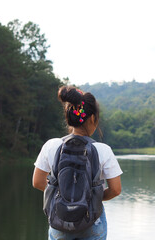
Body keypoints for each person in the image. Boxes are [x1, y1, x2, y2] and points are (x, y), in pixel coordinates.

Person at [32, 86, 123, 240]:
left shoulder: (52, 145)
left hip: (59, 219)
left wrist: (62, 198)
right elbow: (115, 190)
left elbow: (37, 182)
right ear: (93, 118)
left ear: (68, 117)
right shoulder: (103, 150)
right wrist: (88, 198)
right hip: (92, 221)